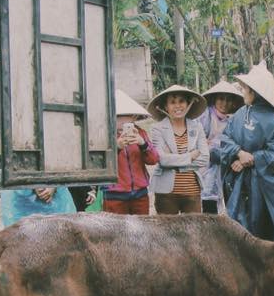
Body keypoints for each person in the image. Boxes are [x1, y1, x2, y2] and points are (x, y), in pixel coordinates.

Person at [215, 61, 274, 240]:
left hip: (262, 186)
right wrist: (238, 153)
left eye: (245, 89)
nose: (242, 92)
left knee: (261, 227)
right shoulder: (240, 114)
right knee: (239, 227)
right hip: (238, 183)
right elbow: (226, 138)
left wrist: (251, 159)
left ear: (255, 91)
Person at [148, 84, 210, 215]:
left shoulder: (197, 127)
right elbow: (162, 160)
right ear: (166, 107)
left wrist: (174, 161)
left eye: (181, 101)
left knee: (193, 233)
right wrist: (190, 156)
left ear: (188, 104)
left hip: (192, 191)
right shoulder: (157, 128)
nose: (177, 106)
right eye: (172, 102)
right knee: (167, 234)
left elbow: (204, 158)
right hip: (166, 193)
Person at [102, 88, 159, 215]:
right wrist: (116, 148)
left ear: (133, 117)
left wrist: (142, 144)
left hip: (140, 193)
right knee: (116, 231)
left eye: (125, 116)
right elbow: (100, 164)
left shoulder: (141, 133)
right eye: (118, 116)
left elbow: (154, 159)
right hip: (114, 194)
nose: (122, 120)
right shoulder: (104, 135)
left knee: (141, 230)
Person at [197, 81, 243, 215]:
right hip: (205, 166)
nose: (224, 103)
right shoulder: (206, 115)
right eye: (221, 98)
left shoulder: (231, 120)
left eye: (229, 100)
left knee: (220, 202)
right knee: (206, 202)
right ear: (215, 99)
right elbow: (198, 138)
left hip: (222, 166)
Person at [1, 185, 76, 227]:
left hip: (58, 198)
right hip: (19, 198)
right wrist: (33, 183)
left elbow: (63, 161)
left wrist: (54, 184)